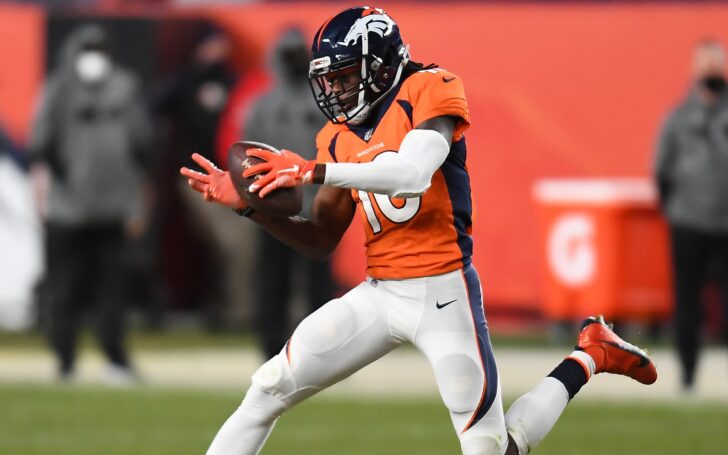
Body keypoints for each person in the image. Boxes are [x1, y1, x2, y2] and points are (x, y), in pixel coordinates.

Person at [181, 7, 657, 455]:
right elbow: (322, 237)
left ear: (382, 66)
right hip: (380, 293)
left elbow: (411, 173)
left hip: (442, 292)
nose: (336, 91)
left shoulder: (431, 88)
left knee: (491, 448)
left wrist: (313, 171)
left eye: (346, 75)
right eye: (329, 79)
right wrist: (249, 208)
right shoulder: (337, 136)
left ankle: (590, 355)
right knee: (267, 388)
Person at [29, 24, 152, 384]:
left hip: (114, 208)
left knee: (112, 289)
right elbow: (41, 145)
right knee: (65, 286)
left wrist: (138, 201)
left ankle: (115, 357)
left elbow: (141, 145)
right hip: (69, 208)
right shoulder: (58, 89)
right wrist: (54, 187)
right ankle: (65, 360)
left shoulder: (125, 87)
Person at [243, 27, 334, 359]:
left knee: (318, 286)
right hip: (275, 206)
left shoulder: (324, 104)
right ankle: (271, 350)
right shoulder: (262, 106)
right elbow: (248, 154)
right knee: (273, 282)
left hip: (316, 207)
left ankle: (323, 351)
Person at [654, 38, 728, 392]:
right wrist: (675, 209)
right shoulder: (679, 117)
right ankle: (688, 377)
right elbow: (662, 170)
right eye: (707, 65)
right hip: (689, 222)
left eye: (717, 65)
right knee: (687, 302)